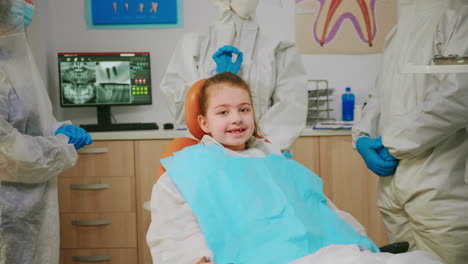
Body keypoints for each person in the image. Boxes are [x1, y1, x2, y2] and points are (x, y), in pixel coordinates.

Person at [147, 72, 442, 264]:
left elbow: (322, 210)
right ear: (203, 123)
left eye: (244, 109)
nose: (236, 118)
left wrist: (360, 243)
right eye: (223, 112)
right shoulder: (189, 166)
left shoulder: (274, 159)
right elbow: (175, 234)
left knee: (427, 260)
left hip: (325, 253)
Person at [352, 0, 468, 263]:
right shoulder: (398, 29)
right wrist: (362, 137)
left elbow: (458, 95)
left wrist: (393, 143)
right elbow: (380, 92)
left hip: (440, 185)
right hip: (394, 185)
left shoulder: (458, 15)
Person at [0, 1, 93, 263]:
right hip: (8, 207)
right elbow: (5, 151)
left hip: (32, 202)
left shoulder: (16, 54)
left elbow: (30, 120)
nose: (31, 5)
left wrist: (58, 129)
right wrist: (60, 145)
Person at [160, 0, 308, 152]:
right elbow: (181, 106)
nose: (236, 119)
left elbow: (291, 110)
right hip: (206, 153)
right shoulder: (193, 45)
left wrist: (260, 150)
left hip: (265, 154)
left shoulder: (279, 49)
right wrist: (212, 81)